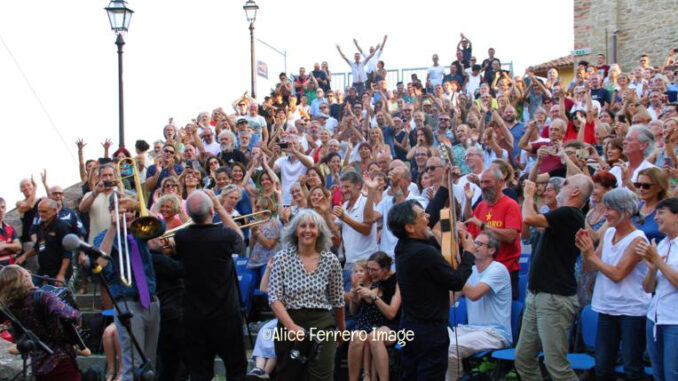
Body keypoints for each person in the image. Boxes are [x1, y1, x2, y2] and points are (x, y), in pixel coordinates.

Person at [516, 174, 593, 381]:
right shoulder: (561, 215)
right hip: (538, 295)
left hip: (554, 298)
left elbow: (529, 218)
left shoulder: (570, 213)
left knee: (556, 366)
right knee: (523, 358)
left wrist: (529, 194)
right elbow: (529, 228)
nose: (561, 187)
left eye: (566, 184)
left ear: (576, 191)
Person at [387, 200, 474, 380]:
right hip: (429, 331)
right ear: (410, 227)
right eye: (422, 215)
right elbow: (456, 281)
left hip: (409, 325)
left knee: (409, 375)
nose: (427, 217)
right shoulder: (425, 254)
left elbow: (431, 239)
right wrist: (469, 254)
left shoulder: (402, 247)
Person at [170, 190, 246, 381]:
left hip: (194, 316)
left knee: (199, 372)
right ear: (211, 211)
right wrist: (220, 206)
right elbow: (240, 239)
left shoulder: (180, 238)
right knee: (236, 368)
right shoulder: (225, 235)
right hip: (226, 314)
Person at [575, 188, 650, 381]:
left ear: (625, 211)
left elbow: (617, 274)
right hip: (608, 308)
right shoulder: (608, 234)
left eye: (609, 209)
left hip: (631, 312)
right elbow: (590, 267)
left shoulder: (638, 239)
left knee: (632, 367)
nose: (605, 213)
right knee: (602, 366)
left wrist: (591, 255)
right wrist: (586, 250)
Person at [268, 209, 346, 380]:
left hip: (322, 323)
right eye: (303, 226)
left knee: (322, 377)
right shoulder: (282, 258)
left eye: (313, 226)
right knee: (288, 376)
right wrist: (291, 327)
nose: (307, 230)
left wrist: (341, 329)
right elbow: (274, 298)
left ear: (319, 232)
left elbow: (338, 300)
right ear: (295, 231)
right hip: (289, 322)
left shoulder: (331, 260)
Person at [94, 201, 161, 381]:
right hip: (128, 303)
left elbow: (158, 237)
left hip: (151, 302)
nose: (130, 215)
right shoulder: (104, 236)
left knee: (149, 365)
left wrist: (141, 205)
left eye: (132, 211)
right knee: (132, 364)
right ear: (111, 211)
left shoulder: (140, 231)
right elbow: (100, 263)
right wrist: (113, 227)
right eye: (125, 211)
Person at [447, 230, 512, 381]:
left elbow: (474, 294)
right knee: (434, 337)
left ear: (491, 250)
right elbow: (451, 299)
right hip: (472, 329)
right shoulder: (471, 270)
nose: (474, 246)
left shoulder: (498, 269)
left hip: (495, 333)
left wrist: (458, 273)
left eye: (479, 243)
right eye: (474, 242)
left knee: (451, 348)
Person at [0, 265, 83, 381]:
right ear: (25, 277)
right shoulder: (44, 296)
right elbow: (73, 316)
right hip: (60, 359)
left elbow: (18, 337)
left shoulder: (10, 307)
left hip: (38, 364)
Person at [635, 197, 678, 381]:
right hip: (655, 317)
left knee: (672, 374)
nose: (656, 218)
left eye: (662, 213)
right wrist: (652, 270)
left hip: (675, 321)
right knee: (658, 373)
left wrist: (657, 261)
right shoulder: (662, 244)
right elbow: (648, 287)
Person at [463, 167, 522, 299]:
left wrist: (484, 225)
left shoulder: (510, 205)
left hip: (505, 270)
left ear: (500, 182)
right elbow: (471, 237)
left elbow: (511, 236)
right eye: (482, 182)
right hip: (480, 271)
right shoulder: (481, 206)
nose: (483, 186)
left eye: (487, 182)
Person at [16, 199, 74, 286]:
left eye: (44, 211)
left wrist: (61, 274)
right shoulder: (41, 226)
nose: (41, 214)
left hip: (58, 272)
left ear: (54, 211)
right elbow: (39, 246)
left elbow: (67, 252)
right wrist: (24, 256)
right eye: (39, 211)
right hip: (44, 271)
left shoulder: (62, 227)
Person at [0, 197, 22, 266]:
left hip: (11, 268)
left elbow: (18, 246)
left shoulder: (9, 228)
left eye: (2, 207)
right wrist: (11, 247)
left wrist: (4, 246)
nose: (0, 210)